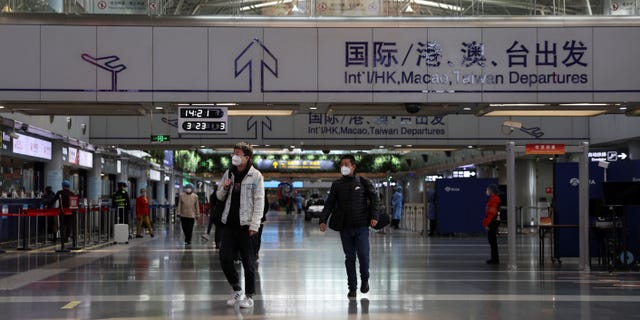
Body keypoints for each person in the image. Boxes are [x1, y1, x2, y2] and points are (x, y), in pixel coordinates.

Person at [319, 154, 379, 299]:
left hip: (361, 227)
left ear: (353, 166)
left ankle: (365, 280)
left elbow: (374, 199)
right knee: (350, 258)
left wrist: (374, 216)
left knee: (363, 256)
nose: (343, 167)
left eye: (346, 164)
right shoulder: (337, 185)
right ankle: (352, 287)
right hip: (344, 227)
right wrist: (323, 220)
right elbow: (330, 204)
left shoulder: (363, 182)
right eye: (342, 165)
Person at [216, 142, 265, 309]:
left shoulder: (256, 175)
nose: (234, 156)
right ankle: (236, 289)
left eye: (238, 153)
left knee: (248, 263)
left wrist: (255, 225)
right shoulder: (228, 173)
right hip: (229, 224)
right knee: (225, 258)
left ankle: (249, 296)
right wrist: (225, 187)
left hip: (247, 226)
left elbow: (259, 202)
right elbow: (219, 196)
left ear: (247, 157)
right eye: (233, 153)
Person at [482, 184, 501, 265]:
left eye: (487, 190)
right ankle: (494, 258)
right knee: (492, 241)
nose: (486, 191)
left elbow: (491, 213)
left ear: (491, 191)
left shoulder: (494, 199)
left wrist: (486, 224)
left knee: (492, 241)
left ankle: (495, 259)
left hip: (492, 222)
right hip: (493, 221)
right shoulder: (493, 199)